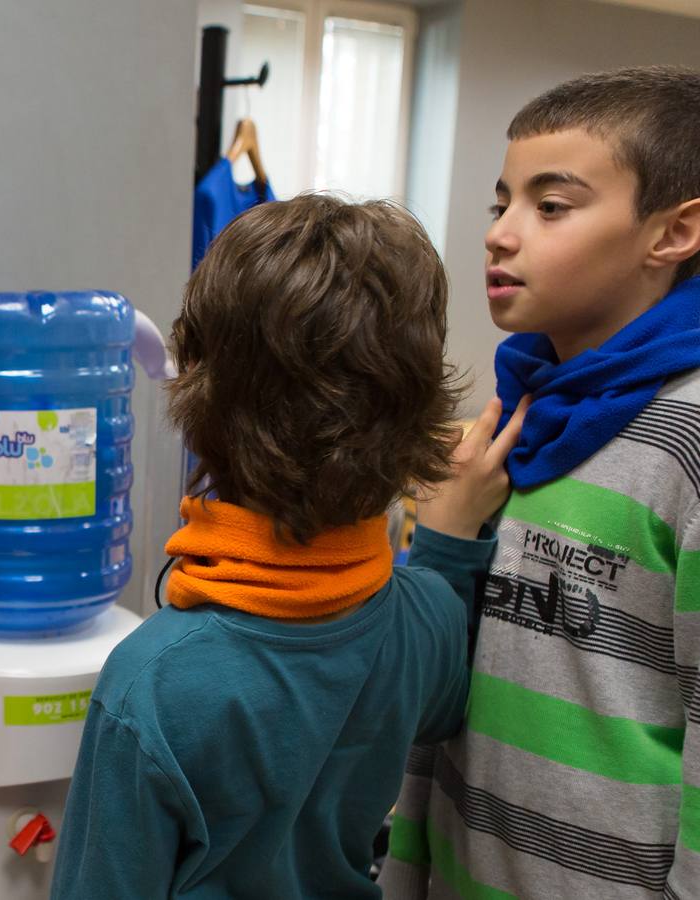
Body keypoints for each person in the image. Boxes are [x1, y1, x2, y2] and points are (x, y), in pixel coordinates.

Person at [50, 193, 497, 898]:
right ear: (417, 407)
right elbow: (442, 699)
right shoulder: (425, 620)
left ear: (198, 389)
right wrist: (450, 543)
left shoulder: (153, 680)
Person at [379, 66, 700, 899]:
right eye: (500, 204)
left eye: (549, 207)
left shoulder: (687, 440)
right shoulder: (513, 411)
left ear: (673, 233)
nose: (499, 234)